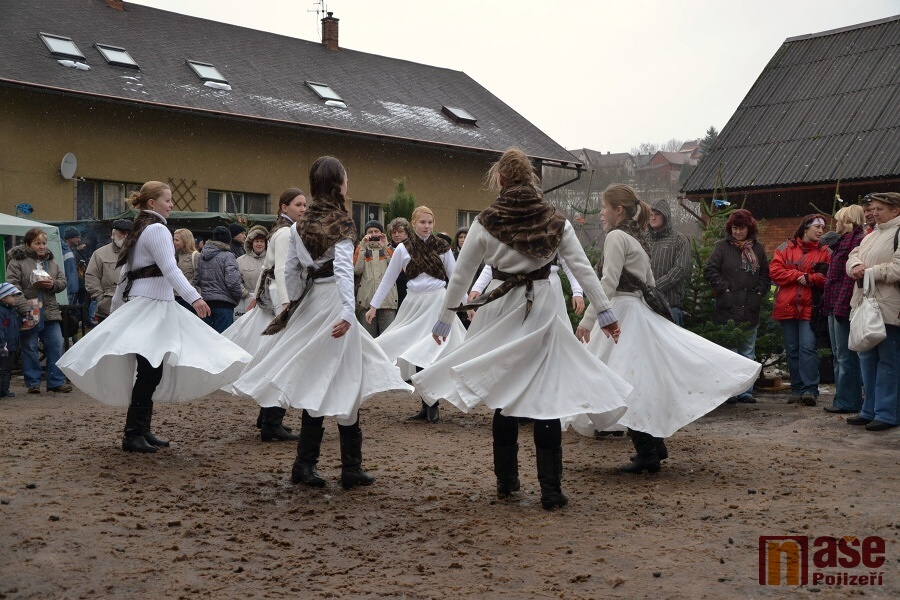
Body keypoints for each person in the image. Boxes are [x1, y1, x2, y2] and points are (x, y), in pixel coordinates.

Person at [413, 149, 633, 510]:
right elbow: (582, 269)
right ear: (531, 178)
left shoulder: (486, 221)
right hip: (543, 308)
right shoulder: (555, 219)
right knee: (546, 397)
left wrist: (445, 319)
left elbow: (462, 275)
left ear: (500, 180)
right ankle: (551, 490)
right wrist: (606, 314)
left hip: (501, 309)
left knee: (504, 396)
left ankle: (507, 483)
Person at [231, 157, 412, 488]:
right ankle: (344, 467)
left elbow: (291, 269)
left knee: (320, 375)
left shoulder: (298, 225)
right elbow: (342, 268)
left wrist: (294, 304)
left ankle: (311, 465)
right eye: (345, 178)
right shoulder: (341, 222)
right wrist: (346, 309)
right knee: (343, 376)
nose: (347, 183)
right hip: (333, 303)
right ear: (337, 184)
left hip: (313, 301)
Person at [572, 184, 761, 475]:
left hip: (621, 314)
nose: (601, 213)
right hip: (637, 311)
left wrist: (587, 320)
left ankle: (647, 451)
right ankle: (653, 443)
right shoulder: (638, 238)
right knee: (640, 380)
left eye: (604, 207)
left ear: (618, 210)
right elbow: (648, 283)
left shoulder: (616, 237)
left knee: (626, 382)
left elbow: (607, 283)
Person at [57, 181, 251, 453]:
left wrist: (116, 313)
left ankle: (140, 429)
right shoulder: (157, 229)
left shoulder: (139, 229)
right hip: (152, 307)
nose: (171, 205)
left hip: (145, 306)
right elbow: (169, 269)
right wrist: (194, 297)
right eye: (167, 200)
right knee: (149, 372)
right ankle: (133, 433)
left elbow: (127, 275)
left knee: (151, 371)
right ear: (152, 203)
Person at [364, 206, 467, 423]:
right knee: (415, 352)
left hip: (438, 303)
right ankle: (427, 403)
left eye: (430, 222)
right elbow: (389, 278)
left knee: (429, 351)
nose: (426, 226)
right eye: (422, 222)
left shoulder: (442, 247)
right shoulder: (403, 249)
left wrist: (467, 305)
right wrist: (374, 306)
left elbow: (456, 277)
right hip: (414, 304)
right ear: (413, 223)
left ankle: (432, 403)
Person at [224, 188, 308, 441]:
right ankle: (271, 421)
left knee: (275, 356)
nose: (303, 209)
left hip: (275, 297)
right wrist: (285, 304)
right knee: (281, 358)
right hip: (281, 299)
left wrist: (257, 295)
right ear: (284, 207)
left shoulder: (283, 229)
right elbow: (280, 269)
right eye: (298, 205)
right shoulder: (285, 232)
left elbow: (266, 268)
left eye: (305, 205)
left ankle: (267, 417)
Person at [845, 192, 900, 431]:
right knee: (867, 360)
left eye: (880, 209)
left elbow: (898, 269)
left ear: (896, 210)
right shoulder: (871, 235)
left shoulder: (897, 232)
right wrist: (855, 266)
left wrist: (869, 272)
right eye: (872, 209)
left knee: (889, 362)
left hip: (890, 306)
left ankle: (887, 413)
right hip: (866, 306)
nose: (874, 213)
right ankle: (869, 410)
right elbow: (853, 256)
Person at [703, 208, 770, 403]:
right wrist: (724, 290)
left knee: (748, 351)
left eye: (741, 228)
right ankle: (731, 391)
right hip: (728, 307)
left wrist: (759, 293)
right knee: (730, 351)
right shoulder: (721, 247)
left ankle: (746, 391)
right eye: (735, 228)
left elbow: (765, 275)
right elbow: (710, 270)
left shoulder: (758, 249)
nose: (738, 232)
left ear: (749, 229)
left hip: (750, 307)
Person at [770, 214, 831, 406]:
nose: (821, 231)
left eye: (822, 228)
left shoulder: (825, 252)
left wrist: (811, 278)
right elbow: (775, 272)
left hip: (810, 308)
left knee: (807, 348)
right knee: (792, 350)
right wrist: (798, 275)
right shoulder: (784, 249)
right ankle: (797, 389)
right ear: (805, 227)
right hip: (787, 306)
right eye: (817, 227)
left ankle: (809, 390)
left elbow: (827, 276)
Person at [6, 228, 72, 395]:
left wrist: (53, 284)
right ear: (28, 244)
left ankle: (55, 382)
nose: (42, 246)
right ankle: (33, 383)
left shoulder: (51, 261)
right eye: (37, 243)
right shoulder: (17, 262)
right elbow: (13, 286)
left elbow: (63, 281)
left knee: (56, 344)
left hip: (50, 310)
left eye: (44, 243)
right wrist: (23, 308)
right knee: (30, 347)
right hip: (28, 310)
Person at [820, 205, 866, 414]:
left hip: (842, 306)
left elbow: (848, 281)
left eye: (839, 220)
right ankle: (842, 398)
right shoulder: (843, 243)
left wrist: (840, 307)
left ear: (847, 221)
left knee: (845, 356)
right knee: (839, 355)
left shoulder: (855, 242)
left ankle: (848, 400)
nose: (836, 224)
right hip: (833, 304)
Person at [645, 199, 691, 325]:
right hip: (645, 304)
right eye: (651, 214)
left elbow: (680, 269)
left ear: (665, 216)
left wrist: (655, 287)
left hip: (670, 305)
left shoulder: (679, 240)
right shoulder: (643, 239)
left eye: (657, 214)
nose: (653, 218)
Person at [194, 226, 242, 333]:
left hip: (205, 303)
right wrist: (236, 298)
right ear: (229, 240)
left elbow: (197, 280)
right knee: (223, 338)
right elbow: (232, 282)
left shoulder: (202, 256)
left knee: (207, 338)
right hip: (224, 305)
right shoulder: (228, 256)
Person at [354, 220, 397, 337]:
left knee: (388, 339)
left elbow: (396, 267)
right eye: (370, 232)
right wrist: (362, 246)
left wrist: (386, 246)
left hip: (387, 303)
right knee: (369, 340)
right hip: (366, 303)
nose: (373, 234)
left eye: (376, 231)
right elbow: (356, 269)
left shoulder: (388, 249)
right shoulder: (361, 250)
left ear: (381, 233)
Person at [84, 219, 132, 324]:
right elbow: (91, 277)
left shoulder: (137, 252)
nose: (125, 236)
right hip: (107, 309)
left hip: (132, 308)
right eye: (122, 233)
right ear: (113, 234)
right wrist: (101, 299)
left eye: (129, 233)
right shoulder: (100, 253)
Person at [235, 225, 268, 319]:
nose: (259, 244)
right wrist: (246, 294)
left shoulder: (272, 260)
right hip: (247, 301)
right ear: (251, 243)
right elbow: (236, 280)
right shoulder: (240, 261)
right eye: (256, 241)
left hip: (268, 302)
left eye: (262, 241)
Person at [0, 283, 24, 397]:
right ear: (3, 298)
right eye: (13, 296)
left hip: (10, 345)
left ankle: (4, 390)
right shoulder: (2, 311)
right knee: (3, 369)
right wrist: (2, 344)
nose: (16, 298)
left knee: (7, 369)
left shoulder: (11, 311)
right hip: (4, 346)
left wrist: (23, 320)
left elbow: (14, 325)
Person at [173, 228, 200, 312]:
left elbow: (200, 279)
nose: (174, 242)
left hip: (188, 299)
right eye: (173, 239)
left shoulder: (195, 255)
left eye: (177, 240)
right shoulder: (173, 255)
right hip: (173, 297)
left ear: (185, 241)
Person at [388, 218, 410, 307]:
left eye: (400, 232)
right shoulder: (387, 248)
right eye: (394, 232)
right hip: (392, 293)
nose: (396, 235)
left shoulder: (414, 248)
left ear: (407, 233)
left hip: (409, 290)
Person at [61, 227, 86, 307]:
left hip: (72, 289)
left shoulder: (69, 250)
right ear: (70, 238)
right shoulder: (64, 251)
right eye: (77, 237)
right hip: (68, 289)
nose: (79, 240)